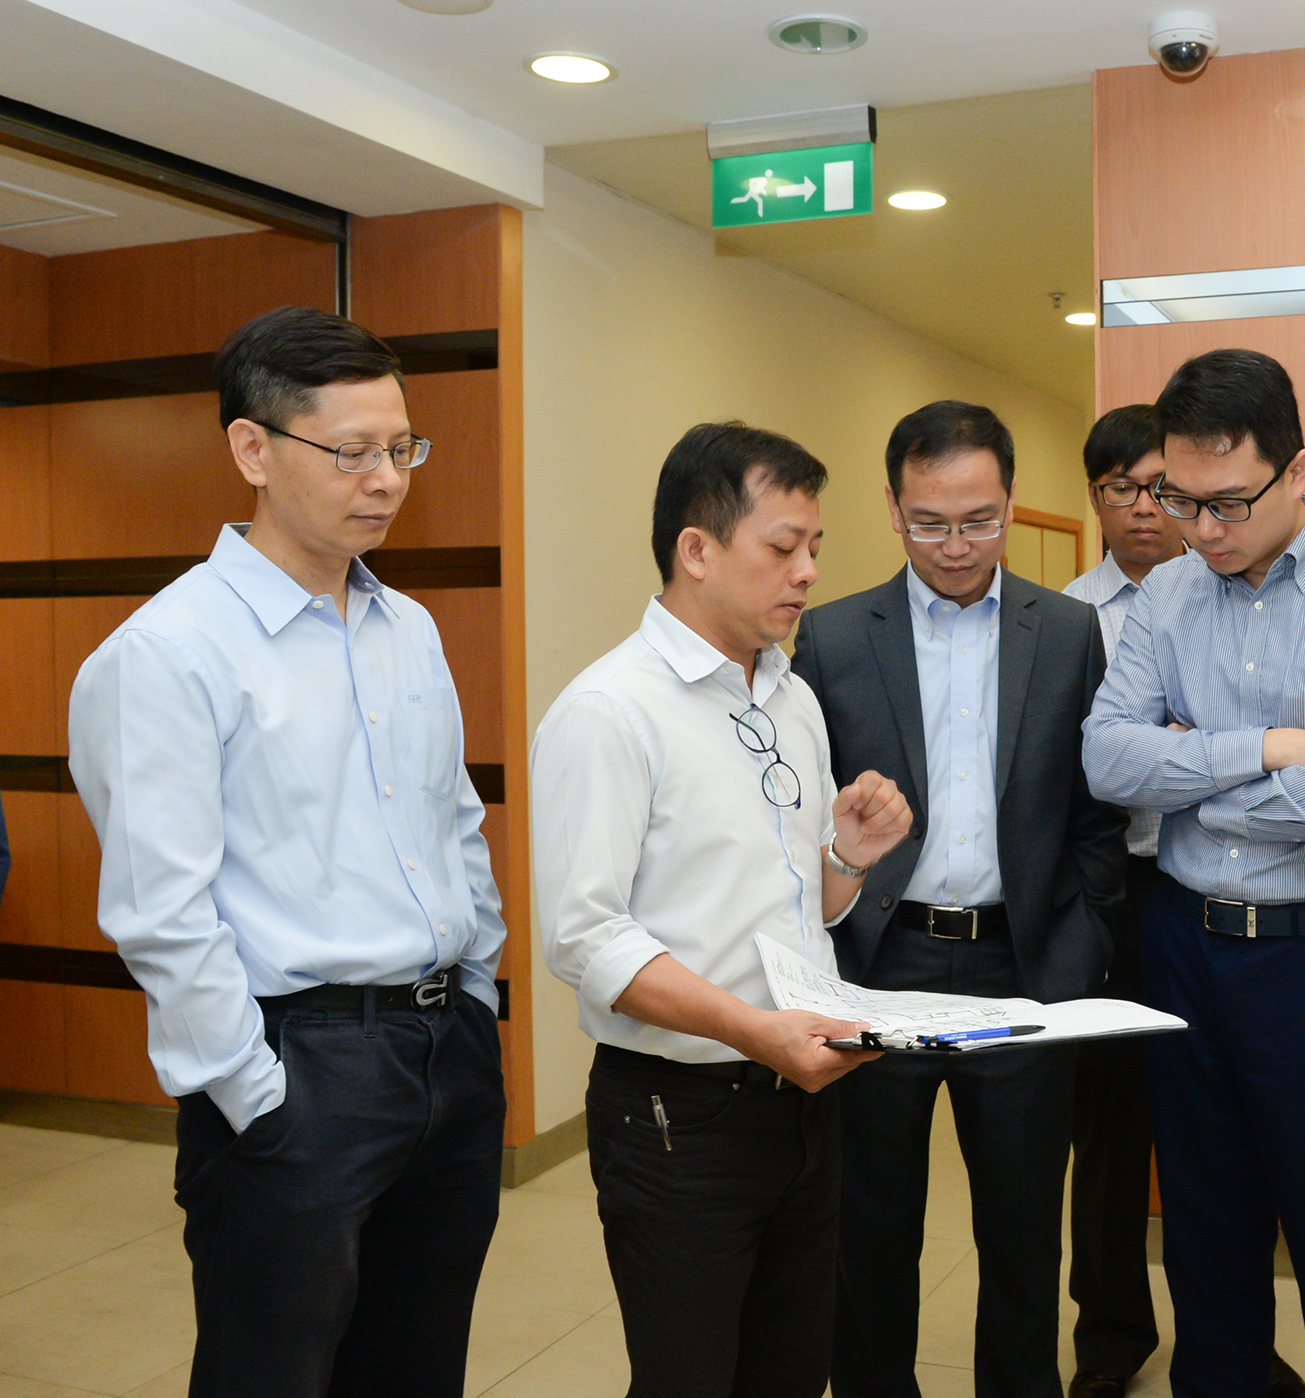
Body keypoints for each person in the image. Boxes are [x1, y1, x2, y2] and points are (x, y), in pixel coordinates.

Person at [68, 305, 508, 1398]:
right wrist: (253, 1092)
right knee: (273, 1372)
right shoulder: (169, 652)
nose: (387, 480)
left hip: (444, 1054)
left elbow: (454, 822)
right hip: (295, 1071)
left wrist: (477, 1001)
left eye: (401, 448)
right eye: (352, 452)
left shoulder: (409, 627)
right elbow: (162, 913)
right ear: (253, 450)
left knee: (416, 1368)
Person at [1083, 349, 1305, 1398]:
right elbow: (1108, 763)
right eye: (1179, 499)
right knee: (1204, 1240)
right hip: (1184, 949)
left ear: (1298, 469)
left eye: (1230, 502)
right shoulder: (1166, 597)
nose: (1203, 529)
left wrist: (1189, 776)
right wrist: (1275, 748)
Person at [532, 422, 911, 1398]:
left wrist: (846, 856)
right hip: (679, 1116)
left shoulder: (790, 698)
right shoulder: (611, 710)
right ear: (696, 550)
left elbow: (797, 907)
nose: (808, 572)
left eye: (814, 547)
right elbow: (586, 939)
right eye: (783, 547)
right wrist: (755, 1032)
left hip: (803, 1104)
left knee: (791, 1372)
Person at [790, 400, 1127, 1398]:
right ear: (894, 509)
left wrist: (1077, 950)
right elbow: (798, 818)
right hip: (879, 967)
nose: (955, 545)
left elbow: (1096, 813)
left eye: (979, 520)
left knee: (1022, 1238)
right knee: (869, 1233)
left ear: (1012, 504)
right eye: (930, 522)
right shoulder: (834, 637)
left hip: (1020, 969)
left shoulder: (1066, 631)